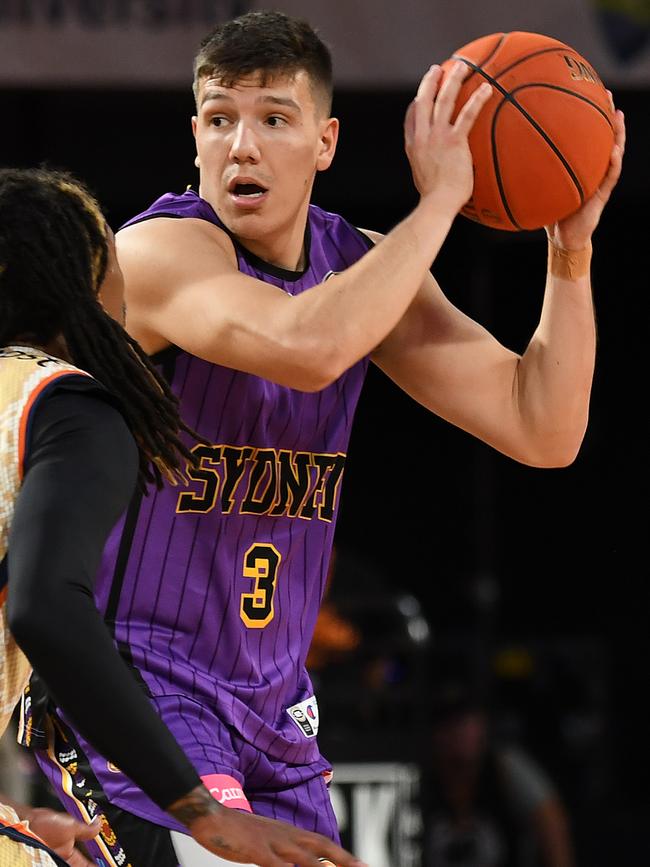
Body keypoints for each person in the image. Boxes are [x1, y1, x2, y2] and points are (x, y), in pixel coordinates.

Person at [28, 9, 625, 866]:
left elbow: (545, 426)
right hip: (139, 685)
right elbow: (306, 347)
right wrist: (443, 202)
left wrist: (570, 250)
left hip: (273, 706)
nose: (243, 145)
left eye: (275, 118)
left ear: (326, 143)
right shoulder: (159, 253)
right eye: (221, 118)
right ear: (194, 137)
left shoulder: (362, 269)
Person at [0, 167, 365, 867]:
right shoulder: (67, 409)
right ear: (78, 284)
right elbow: (46, 609)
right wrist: (199, 809)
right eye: (114, 256)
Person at [423, 680, 575, 867]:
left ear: (482, 725)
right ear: (433, 733)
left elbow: (552, 822)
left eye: (467, 720)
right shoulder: (418, 779)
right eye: (448, 723)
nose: (459, 731)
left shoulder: (505, 768)